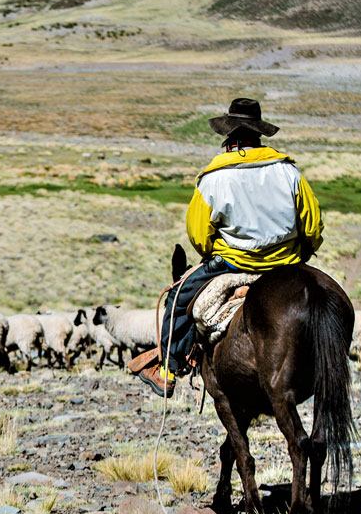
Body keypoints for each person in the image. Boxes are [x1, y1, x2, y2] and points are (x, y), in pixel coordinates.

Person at [130, 97, 324, 397]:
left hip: (233, 263)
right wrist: (303, 252)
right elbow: (311, 225)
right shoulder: (289, 172)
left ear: (229, 137)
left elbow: (198, 233)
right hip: (287, 263)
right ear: (259, 136)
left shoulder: (213, 177)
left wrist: (211, 253)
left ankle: (167, 368)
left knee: (179, 300)